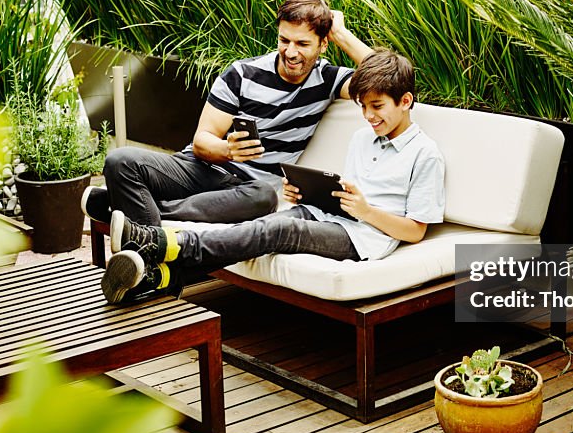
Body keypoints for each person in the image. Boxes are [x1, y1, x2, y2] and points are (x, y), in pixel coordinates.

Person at [98, 49, 446, 305]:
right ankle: (161, 275)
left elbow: (415, 232)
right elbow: (345, 197)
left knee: (278, 229)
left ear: (405, 101)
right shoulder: (361, 138)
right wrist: (308, 194)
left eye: (377, 107)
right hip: (329, 216)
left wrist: (367, 211)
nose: (368, 116)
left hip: (364, 238)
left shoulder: (424, 154)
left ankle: (160, 242)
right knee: (258, 229)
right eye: (363, 107)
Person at [81, 0, 372, 229]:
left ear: (323, 44)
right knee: (120, 160)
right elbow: (202, 142)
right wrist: (228, 150)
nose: (291, 52)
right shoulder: (242, 74)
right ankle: (143, 228)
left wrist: (342, 35)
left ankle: (136, 212)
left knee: (263, 196)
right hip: (203, 170)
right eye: (284, 40)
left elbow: (389, 81)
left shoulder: (329, 79)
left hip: (248, 189)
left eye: (303, 44)